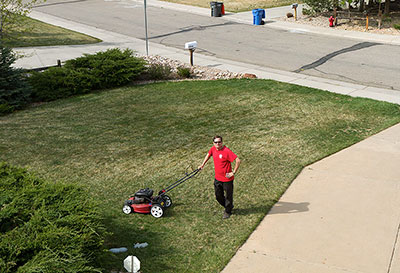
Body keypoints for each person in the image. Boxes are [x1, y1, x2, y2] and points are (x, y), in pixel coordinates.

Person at [199, 135, 241, 219]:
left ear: (222, 142)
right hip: (217, 178)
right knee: (218, 196)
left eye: (219, 142)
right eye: (216, 142)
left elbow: (238, 160)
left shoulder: (226, 151)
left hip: (227, 179)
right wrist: (202, 164)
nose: (218, 144)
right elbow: (208, 154)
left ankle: (228, 211)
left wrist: (233, 172)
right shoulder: (213, 149)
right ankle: (228, 205)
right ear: (213, 143)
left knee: (228, 196)